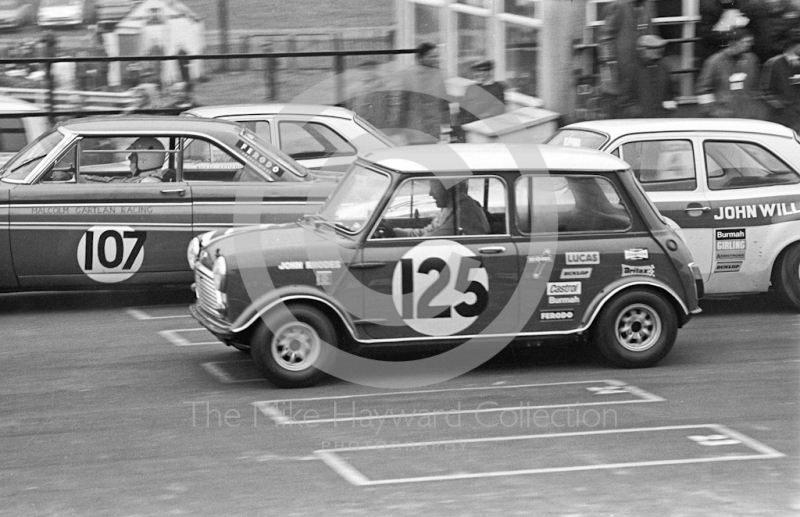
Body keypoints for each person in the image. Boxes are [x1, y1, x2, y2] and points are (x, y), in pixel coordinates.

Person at [597, 0, 658, 118]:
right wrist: (609, 65)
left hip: (642, 69)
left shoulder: (649, 5)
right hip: (621, 69)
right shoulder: (618, 5)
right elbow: (605, 37)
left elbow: (652, 32)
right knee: (619, 109)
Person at [695, 27, 763, 118]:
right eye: (745, 42)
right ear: (733, 43)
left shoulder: (751, 60)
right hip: (723, 117)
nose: (749, 45)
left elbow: (754, 88)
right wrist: (712, 111)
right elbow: (703, 90)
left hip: (746, 115)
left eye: (750, 41)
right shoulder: (714, 62)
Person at [390, 180, 490, 237]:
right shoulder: (449, 207)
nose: (430, 193)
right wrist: (396, 232)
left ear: (450, 190)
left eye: (434, 188)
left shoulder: (464, 211)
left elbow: (433, 240)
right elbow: (427, 231)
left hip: (468, 261)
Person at [395, 42, 451, 145]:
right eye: (432, 56)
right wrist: (399, 129)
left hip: (433, 130)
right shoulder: (407, 75)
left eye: (437, 56)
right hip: (414, 130)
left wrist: (447, 126)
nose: (436, 59)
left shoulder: (439, 75)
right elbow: (403, 104)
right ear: (421, 58)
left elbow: (444, 103)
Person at [761, 29, 800, 132]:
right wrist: (782, 107)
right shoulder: (774, 63)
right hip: (782, 120)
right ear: (794, 46)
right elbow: (764, 92)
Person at [82, 137, 167, 183]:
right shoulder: (140, 179)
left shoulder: (149, 182)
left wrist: (83, 179)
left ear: (144, 160)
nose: (129, 158)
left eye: (133, 155)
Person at [632, 34, 678, 117]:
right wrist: (636, 114)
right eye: (653, 48)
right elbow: (627, 97)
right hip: (640, 120)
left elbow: (669, 94)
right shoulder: (633, 69)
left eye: (659, 48)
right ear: (643, 50)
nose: (657, 51)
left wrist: (669, 114)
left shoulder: (663, 68)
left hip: (660, 118)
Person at [459, 59, 508, 126]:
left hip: (486, 126)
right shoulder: (471, 88)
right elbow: (463, 107)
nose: (482, 73)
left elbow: (499, 108)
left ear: (490, 71)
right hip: (468, 126)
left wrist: (479, 117)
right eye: (479, 71)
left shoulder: (497, 87)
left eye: (485, 70)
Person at [347, 60, 393, 129]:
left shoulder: (384, 88)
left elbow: (390, 108)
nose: (366, 73)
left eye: (369, 70)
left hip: (380, 128)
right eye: (363, 70)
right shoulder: (354, 90)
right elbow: (349, 109)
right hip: (360, 127)